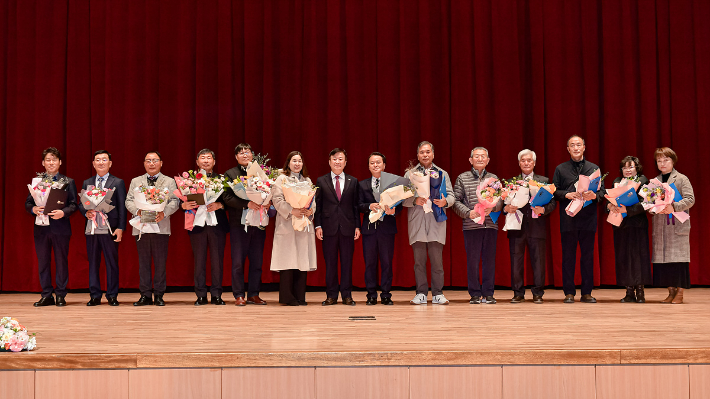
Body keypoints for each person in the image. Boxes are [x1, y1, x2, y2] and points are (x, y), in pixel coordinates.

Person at [552, 135, 605, 303]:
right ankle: (569, 292)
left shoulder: (594, 169)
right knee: (568, 256)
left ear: (584, 147)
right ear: (568, 149)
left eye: (578, 145)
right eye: (572, 145)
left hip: (588, 219)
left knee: (587, 256)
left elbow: (602, 193)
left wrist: (593, 195)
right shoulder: (560, 169)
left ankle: (586, 292)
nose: (575, 148)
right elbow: (554, 192)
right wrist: (566, 194)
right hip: (568, 219)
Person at [124, 151, 179, 306]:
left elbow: (175, 201)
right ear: (144, 163)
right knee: (143, 262)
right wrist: (137, 211)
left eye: (155, 160)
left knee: (161, 262)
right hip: (141, 226)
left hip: (160, 225)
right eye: (148, 160)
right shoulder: (136, 181)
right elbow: (128, 200)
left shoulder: (169, 181)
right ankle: (145, 295)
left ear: (161, 163)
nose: (152, 163)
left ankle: (159, 294)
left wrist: (164, 213)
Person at [403, 141, 455, 305]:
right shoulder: (409, 174)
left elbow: (452, 196)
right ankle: (421, 293)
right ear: (417, 155)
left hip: (436, 221)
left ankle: (438, 293)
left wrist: (445, 201)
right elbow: (401, 199)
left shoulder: (442, 173)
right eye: (422, 152)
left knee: (437, 260)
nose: (425, 155)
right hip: (417, 221)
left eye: (427, 152)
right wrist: (414, 200)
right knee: (419, 262)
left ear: (433, 154)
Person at [25, 147, 78, 307]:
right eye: (48, 159)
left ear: (60, 162)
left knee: (61, 261)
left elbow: (74, 204)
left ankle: (61, 295)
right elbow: (28, 203)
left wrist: (63, 212)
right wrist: (33, 209)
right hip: (41, 228)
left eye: (54, 159)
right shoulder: (37, 181)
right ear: (43, 163)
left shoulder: (68, 182)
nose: (51, 162)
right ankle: (46, 294)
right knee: (43, 262)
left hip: (60, 227)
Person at [504, 149, 556, 304]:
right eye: (523, 160)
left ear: (534, 163)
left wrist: (544, 209)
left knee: (538, 261)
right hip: (516, 225)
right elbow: (503, 202)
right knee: (516, 261)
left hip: (537, 226)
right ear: (519, 163)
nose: (526, 163)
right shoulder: (511, 182)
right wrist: (505, 209)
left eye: (529, 160)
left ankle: (538, 293)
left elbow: (552, 202)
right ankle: (518, 292)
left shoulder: (543, 180)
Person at [453, 147, 503, 304]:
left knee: (489, 260)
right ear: (470, 160)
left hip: (490, 225)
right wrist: (468, 213)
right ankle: (474, 293)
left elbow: (501, 199)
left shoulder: (494, 178)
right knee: (472, 261)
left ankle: (488, 293)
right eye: (477, 156)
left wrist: (493, 207)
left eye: (483, 156)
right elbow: (455, 200)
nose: (480, 159)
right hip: (471, 225)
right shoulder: (462, 178)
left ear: (488, 160)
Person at [78, 150, 127, 306]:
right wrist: (86, 212)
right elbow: (81, 204)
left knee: (111, 262)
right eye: (97, 160)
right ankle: (95, 295)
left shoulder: (117, 182)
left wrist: (120, 227)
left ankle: (112, 295)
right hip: (92, 228)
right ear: (93, 163)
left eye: (104, 159)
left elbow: (122, 207)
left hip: (110, 227)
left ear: (110, 163)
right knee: (93, 262)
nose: (101, 162)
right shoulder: (87, 182)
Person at [222, 143, 269, 306]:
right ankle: (239, 294)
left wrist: (266, 202)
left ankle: (254, 294)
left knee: (257, 261)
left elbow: (268, 192)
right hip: (238, 224)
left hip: (258, 222)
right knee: (237, 261)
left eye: (247, 152)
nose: (244, 155)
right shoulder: (230, 174)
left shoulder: (261, 173)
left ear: (252, 155)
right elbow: (226, 198)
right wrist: (246, 204)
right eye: (240, 153)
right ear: (236, 157)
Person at [181, 149, 229, 306]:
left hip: (217, 225)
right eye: (203, 158)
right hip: (197, 224)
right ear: (197, 162)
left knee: (217, 261)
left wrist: (220, 204)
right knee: (199, 261)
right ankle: (200, 294)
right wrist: (184, 205)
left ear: (214, 162)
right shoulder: (190, 181)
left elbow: (231, 200)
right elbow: (183, 200)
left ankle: (217, 294)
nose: (206, 161)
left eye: (209, 158)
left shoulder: (222, 179)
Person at [270, 151, 317, 306]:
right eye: (294, 160)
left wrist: (310, 210)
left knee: (301, 261)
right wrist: (292, 211)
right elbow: (277, 200)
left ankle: (300, 296)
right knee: (288, 261)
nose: (297, 163)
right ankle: (287, 297)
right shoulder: (281, 179)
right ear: (288, 163)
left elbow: (313, 200)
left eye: (299, 161)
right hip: (287, 224)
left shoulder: (307, 180)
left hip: (303, 224)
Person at [315, 148, 361, 306]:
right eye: (334, 159)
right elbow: (318, 206)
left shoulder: (353, 181)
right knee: (330, 263)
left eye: (340, 159)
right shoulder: (321, 181)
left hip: (348, 227)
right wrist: (318, 225)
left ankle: (347, 295)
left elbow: (355, 206)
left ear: (345, 162)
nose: (337, 162)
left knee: (347, 262)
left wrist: (357, 226)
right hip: (328, 228)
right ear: (329, 162)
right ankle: (331, 295)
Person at [650, 147, 695, 304]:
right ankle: (670, 292)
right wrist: (652, 208)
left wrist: (674, 207)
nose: (662, 163)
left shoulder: (681, 179)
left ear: (673, 161)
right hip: (661, 227)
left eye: (666, 160)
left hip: (677, 225)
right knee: (665, 262)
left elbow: (690, 199)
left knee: (678, 261)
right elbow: (650, 202)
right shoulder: (655, 182)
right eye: (659, 161)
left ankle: (680, 293)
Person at [358, 152, 402, 305]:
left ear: (384, 165)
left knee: (386, 263)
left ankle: (385, 294)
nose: (375, 165)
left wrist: (393, 210)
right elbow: (358, 205)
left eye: (378, 162)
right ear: (368, 166)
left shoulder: (393, 184)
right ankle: (371, 294)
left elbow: (400, 205)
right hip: (369, 229)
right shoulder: (362, 184)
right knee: (369, 263)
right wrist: (369, 206)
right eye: (372, 163)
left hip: (387, 229)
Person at [606, 156, 651, 303]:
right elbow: (609, 200)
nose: (627, 170)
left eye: (630, 167)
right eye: (625, 167)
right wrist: (610, 206)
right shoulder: (616, 182)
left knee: (638, 258)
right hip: (621, 224)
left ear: (637, 168)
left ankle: (640, 291)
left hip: (637, 224)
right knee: (623, 257)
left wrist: (628, 209)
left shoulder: (643, 181)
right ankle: (629, 291)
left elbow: (646, 203)